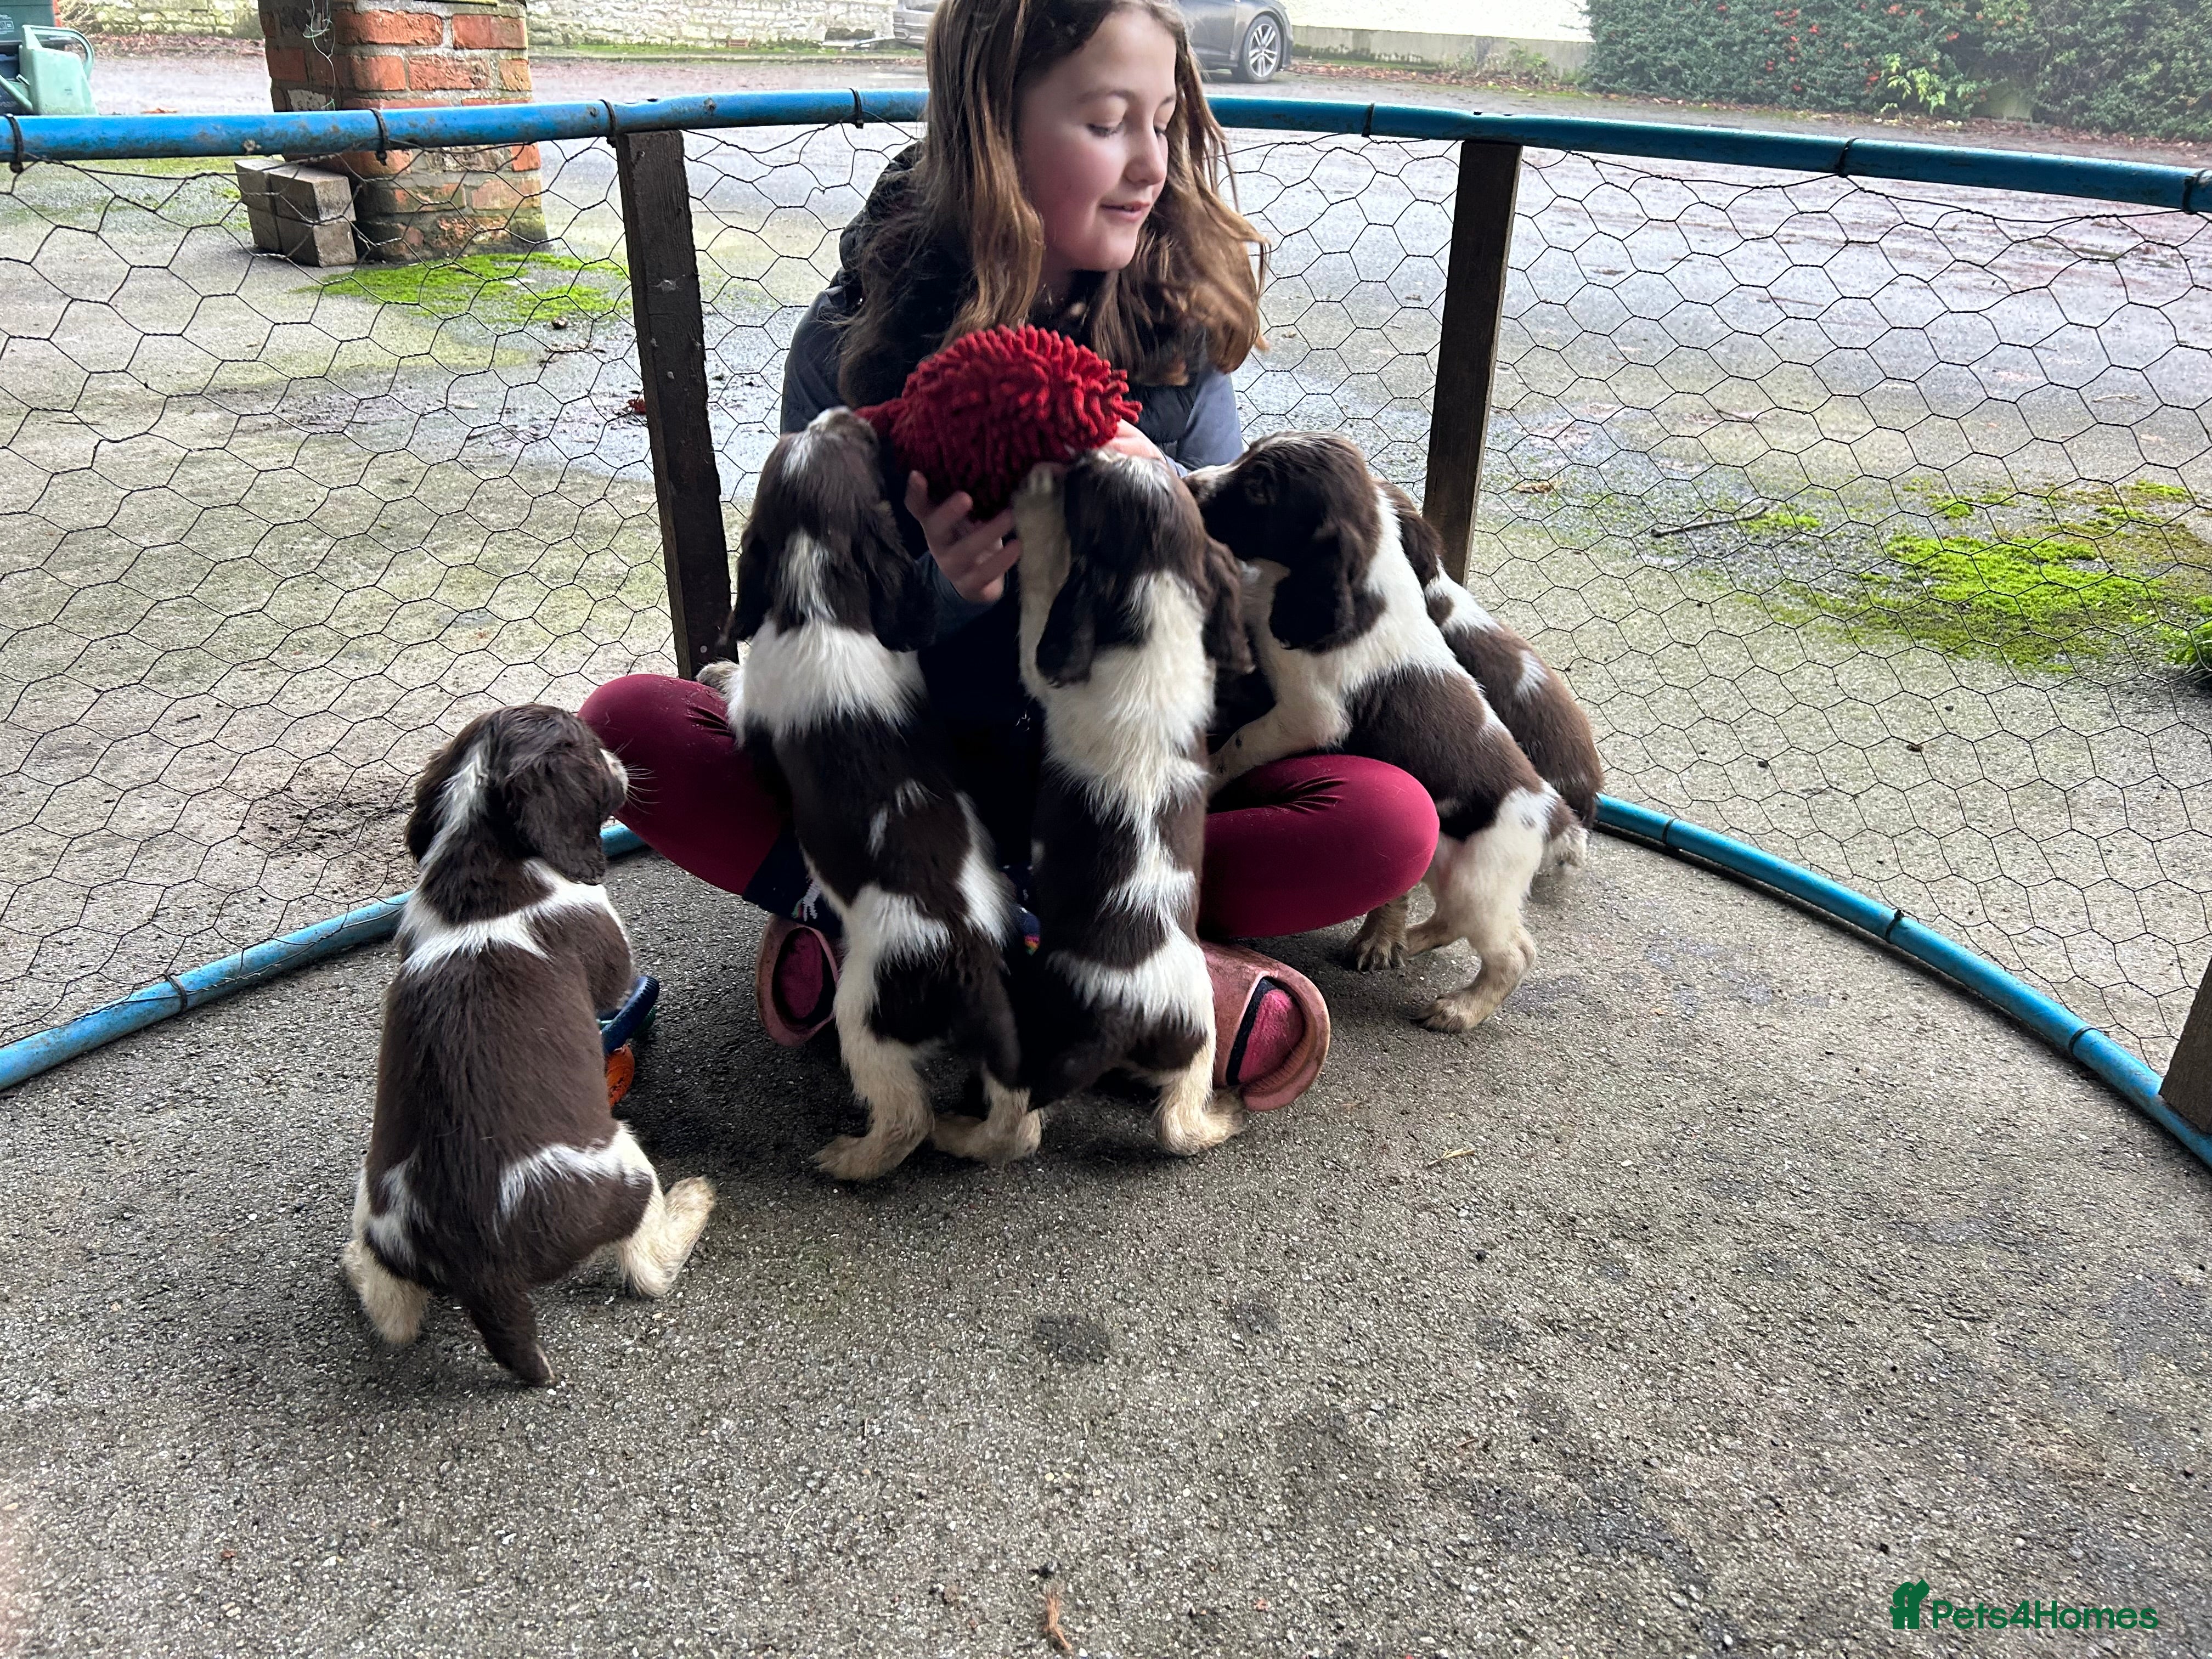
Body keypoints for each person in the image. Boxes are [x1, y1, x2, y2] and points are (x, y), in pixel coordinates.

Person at [582, 0, 1439, 1114]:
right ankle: (1110, 971)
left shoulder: (1173, 344)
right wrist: (934, 594)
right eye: (1106, 123)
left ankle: (897, 947)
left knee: (1390, 824)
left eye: (1166, 122)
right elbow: (807, 646)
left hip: (1110, 794)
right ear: (993, 133)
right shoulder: (853, 346)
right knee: (631, 728)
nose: (1149, 164)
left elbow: (1223, 664)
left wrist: (1169, 527)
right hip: (921, 788)